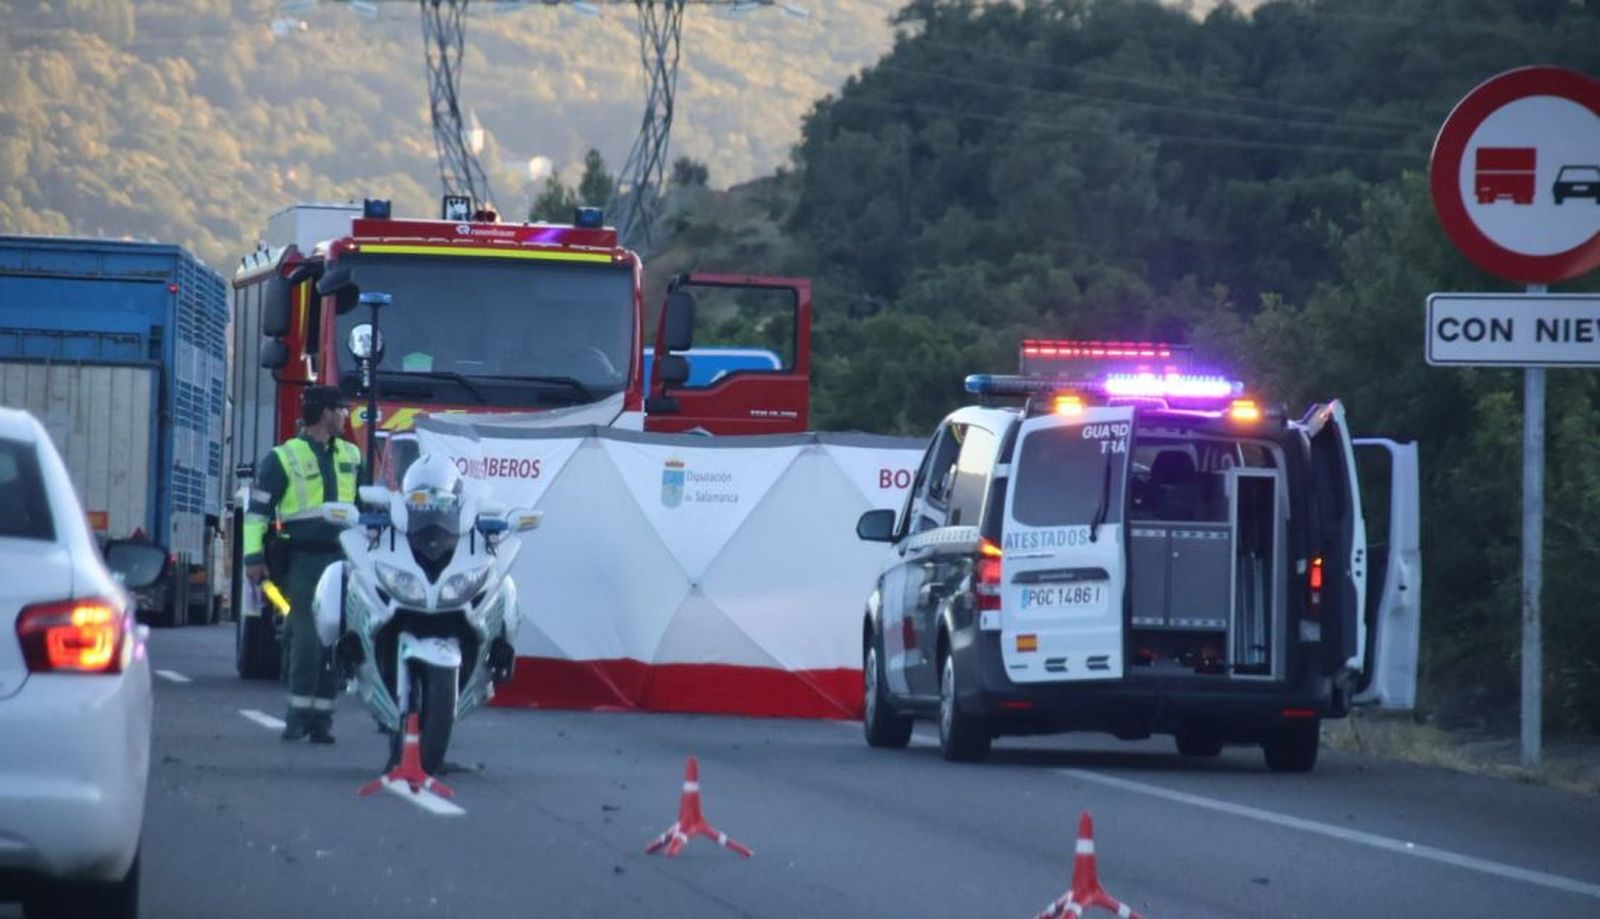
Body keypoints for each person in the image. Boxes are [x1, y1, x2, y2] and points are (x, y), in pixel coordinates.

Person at [243, 385, 363, 743]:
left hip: (342, 559)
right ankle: (298, 715)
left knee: (335, 639)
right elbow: (257, 513)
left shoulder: (353, 455)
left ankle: (322, 719)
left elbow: (369, 507)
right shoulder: (283, 457)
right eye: (340, 409)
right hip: (303, 560)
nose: (345, 416)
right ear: (325, 413)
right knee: (309, 637)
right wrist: (253, 557)